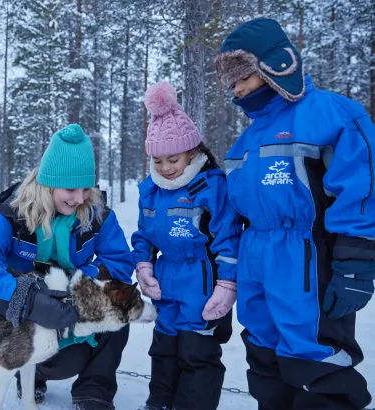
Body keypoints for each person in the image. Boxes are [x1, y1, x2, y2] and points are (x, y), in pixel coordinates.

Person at [214, 17, 375, 410]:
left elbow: (362, 189)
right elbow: (235, 215)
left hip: (306, 260)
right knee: (264, 357)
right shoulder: (245, 141)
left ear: (274, 66)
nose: (235, 91)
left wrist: (357, 259)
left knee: (315, 361)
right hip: (258, 263)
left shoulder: (332, 116)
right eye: (230, 83)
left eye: (242, 78)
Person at [0, 123, 135, 410]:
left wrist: (78, 283)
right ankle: (30, 376)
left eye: (86, 188)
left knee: (119, 311)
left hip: (73, 305)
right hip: (27, 319)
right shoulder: (13, 214)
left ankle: (93, 391)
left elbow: (120, 263)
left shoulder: (98, 215)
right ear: (48, 183)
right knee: (53, 359)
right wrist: (25, 297)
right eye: (71, 189)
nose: (79, 198)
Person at [131, 82, 242, 410]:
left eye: (174, 159)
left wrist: (227, 282)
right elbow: (144, 235)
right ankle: (160, 403)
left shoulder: (211, 187)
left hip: (202, 280)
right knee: (163, 347)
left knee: (197, 351)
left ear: (192, 152)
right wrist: (144, 264)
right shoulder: (151, 190)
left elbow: (228, 236)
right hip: (167, 278)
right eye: (159, 160)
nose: (166, 167)